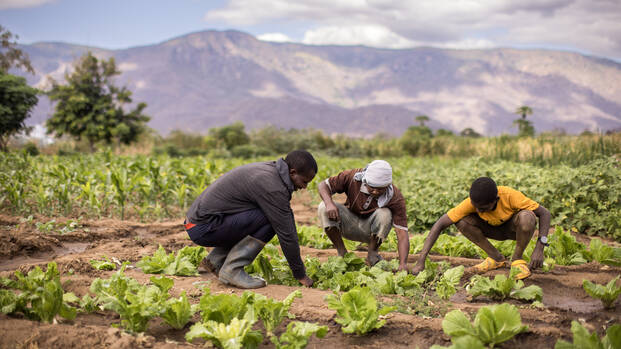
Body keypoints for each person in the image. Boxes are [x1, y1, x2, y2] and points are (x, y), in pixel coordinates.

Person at [184, 150, 317, 289]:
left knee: (266, 215)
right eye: (304, 181)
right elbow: (287, 233)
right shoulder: (274, 187)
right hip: (202, 228)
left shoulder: (271, 171)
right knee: (271, 219)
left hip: (199, 223)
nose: (304, 187)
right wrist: (300, 274)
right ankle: (232, 270)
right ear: (292, 172)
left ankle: (214, 261)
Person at [412, 177, 551, 280]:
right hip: (491, 229)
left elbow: (545, 213)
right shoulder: (472, 203)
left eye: (483, 208)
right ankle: (496, 258)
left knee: (527, 217)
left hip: (513, 230)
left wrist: (539, 248)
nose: (478, 210)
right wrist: (421, 260)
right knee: (461, 221)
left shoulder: (510, 196)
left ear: (495, 200)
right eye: (476, 207)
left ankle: (517, 260)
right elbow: (440, 224)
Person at [317, 160, 410, 271]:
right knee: (323, 207)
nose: (375, 192)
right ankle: (342, 252)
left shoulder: (395, 197)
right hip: (347, 223)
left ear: (388, 185)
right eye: (372, 187)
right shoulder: (352, 177)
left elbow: (402, 233)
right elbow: (323, 185)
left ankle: (372, 253)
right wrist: (329, 203)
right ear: (365, 181)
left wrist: (403, 263)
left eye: (380, 189)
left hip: (371, 231)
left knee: (385, 213)